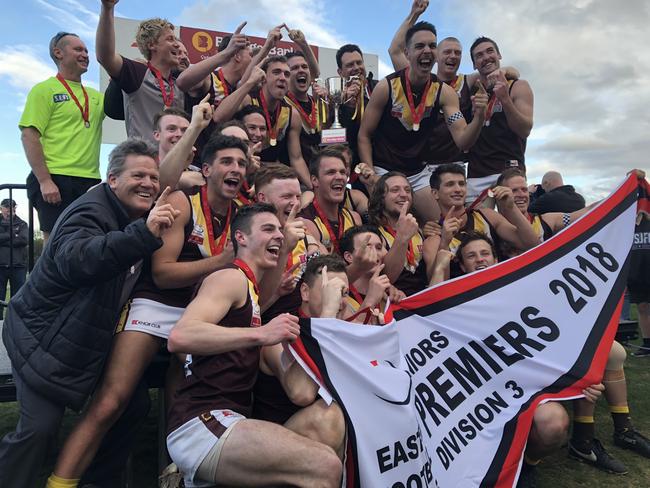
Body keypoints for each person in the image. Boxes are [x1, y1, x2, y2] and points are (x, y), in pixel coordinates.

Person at [48, 134, 246, 487]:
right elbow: (163, 273)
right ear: (206, 169)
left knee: (184, 399)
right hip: (155, 302)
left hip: (195, 310)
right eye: (227, 162)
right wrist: (221, 262)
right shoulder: (184, 203)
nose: (236, 169)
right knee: (112, 400)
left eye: (242, 164)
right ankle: (60, 481)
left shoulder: (239, 215)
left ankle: (175, 472)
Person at [0, 139, 178, 488]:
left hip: (82, 338)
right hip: (42, 338)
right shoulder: (90, 211)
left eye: (153, 178)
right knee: (40, 428)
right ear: (112, 180)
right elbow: (77, 259)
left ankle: (95, 481)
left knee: (132, 404)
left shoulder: (134, 213)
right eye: (138, 175)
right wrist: (142, 235)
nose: (149, 184)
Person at [166, 203, 342, 487]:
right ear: (241, 238)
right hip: (202, 423)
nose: (278, 236)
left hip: (230, 420)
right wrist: (261, 335)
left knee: (328, 426)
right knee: (324, 466)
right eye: (268, 229)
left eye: (279, 231)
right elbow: (179, 337)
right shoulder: (230, 277)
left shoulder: (252, 290)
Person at [431, 231, 604, 487]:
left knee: (553, 424)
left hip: (524, 386)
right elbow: (429, 311)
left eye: (484, 253)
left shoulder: (523, 291)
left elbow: (560, 339)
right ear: (462, 265)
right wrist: (440, 264)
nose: (480, 260)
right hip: (475, 394)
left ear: (495, 257)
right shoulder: (456, 296)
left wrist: (581, 380)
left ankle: (527, 466)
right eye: (471, 256)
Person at [358, 22, 488, 223]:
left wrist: (479, 117)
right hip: (385, 168)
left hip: (417, 172)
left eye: (432, 46)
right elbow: (364, 135)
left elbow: (463, 140)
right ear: (407, 53)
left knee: (444, 223)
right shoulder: (387, 87)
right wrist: (370, 172)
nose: (427, 51)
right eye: (420, 46)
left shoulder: (444, 92)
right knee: (387, 225)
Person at [20, 32, 104, 243]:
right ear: (58, 53)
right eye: (78, 49)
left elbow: (124, 103)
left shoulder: (95, 96)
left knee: (88, 241)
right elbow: (29, 135)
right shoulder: (44, 90)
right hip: (55, 178)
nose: (85, 54)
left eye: (86, 50)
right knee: (55, 244)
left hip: (90, 180)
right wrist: (45, 180)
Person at [214, 55, 312, 187]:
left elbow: (297, 159)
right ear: (264, 77)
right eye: (276, 72)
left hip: (267, 177)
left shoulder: (292, 114)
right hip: (238, 170)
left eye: (287, 74)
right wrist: (249, 83)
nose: (282, 78)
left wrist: (313, 189)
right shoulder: (247, 100)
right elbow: (218, 117)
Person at [428, 163, 539, 279]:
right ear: (435, 193)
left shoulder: (487, 215)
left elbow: (532, 245)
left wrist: (512, 208)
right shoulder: (434, 238)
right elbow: (437, 284)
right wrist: (445, 243)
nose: (458, 189)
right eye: (450, 184)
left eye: (462, 184)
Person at [96, 0, 185, 143]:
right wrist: (107, 9)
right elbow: (105, 57)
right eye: (170, 39)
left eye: (176, 39)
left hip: (176, 162)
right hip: (144, 162)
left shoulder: (180, 82)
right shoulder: (138, 73)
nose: (176, 44)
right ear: (152, 45)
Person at [466, 36, 534, 204]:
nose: (486, 57)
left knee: (513, 226)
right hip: (477, 173)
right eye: (479, 55)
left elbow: (524, 129)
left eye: (490, 51)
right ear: (474, 64)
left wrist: (505, 100)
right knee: (478, 229)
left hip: (510, 170)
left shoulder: (518, 86)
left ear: (499, 55)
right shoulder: (469, 88)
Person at [368, 172, 436, 295]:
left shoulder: (419, 230)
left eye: (407, 190)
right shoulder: (373, 234)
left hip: (423, 302)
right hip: (395, 304)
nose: (404, 195)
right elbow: (387, 277)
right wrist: (402, 237)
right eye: (395, 190)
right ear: (381, 198)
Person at [300, 147, 362, 254]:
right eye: (331, 172)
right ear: (314, 180)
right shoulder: (304, 223)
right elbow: (325, 269)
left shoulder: (354, 219)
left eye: (342, 172)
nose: (339, 177)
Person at [335, 44, 379, 166]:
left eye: (359, 63)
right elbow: (335, 137)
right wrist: (348, 107)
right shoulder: (335, 98)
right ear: (340, 72)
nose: (356, 68)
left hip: (382, 162)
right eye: (349, 65)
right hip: (351, 165)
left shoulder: (379, 88)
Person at [0, 199, 28, 314]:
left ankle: (15, 324)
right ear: (1, 208)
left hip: (18, 266)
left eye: (12, 207)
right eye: (6, 207)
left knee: (18, 298)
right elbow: (16, 240)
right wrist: (11, 235)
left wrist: (3, 239)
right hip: (0, 266)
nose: (9, 210)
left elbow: (23, 240)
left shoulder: (22, 224)